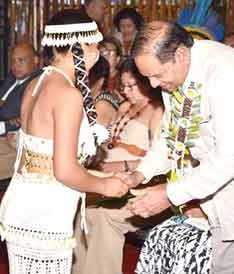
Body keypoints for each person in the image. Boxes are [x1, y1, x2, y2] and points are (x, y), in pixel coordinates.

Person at [119, 21, 234, 274]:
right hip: (228, 203)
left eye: (157, 75)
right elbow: (173, 133)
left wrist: (168, 195)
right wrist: (141, 173)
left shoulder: (229, 75)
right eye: (147, 77)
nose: (153, 85)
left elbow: (229, 160)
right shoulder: (177, 75)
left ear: (180, 54)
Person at [0, 9, 128, 274]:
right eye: (94, 43)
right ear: (78, 46)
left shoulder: (36, 83)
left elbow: (43, 159)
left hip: (24, 206)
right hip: (44, 214)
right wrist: (104, 186)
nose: (98, 51)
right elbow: (65, 170)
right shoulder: (67, 95)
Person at [72, 58, 164, 274]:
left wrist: (119, 166)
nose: (126, 91)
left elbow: (160, 161)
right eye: (123, 86)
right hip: (109, 175)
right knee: (79, 205)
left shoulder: (158, 111)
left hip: (141, 183)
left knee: (100, 215)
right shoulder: (124, 106)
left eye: (132, 86)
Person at [0, 42, 40, 180]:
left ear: (35, 60)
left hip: (12, 141)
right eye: (13, 61)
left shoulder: (37, 83)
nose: (15, 66)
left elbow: (26, 117)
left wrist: (4, 126)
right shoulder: (11, 78)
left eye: (21, 60)